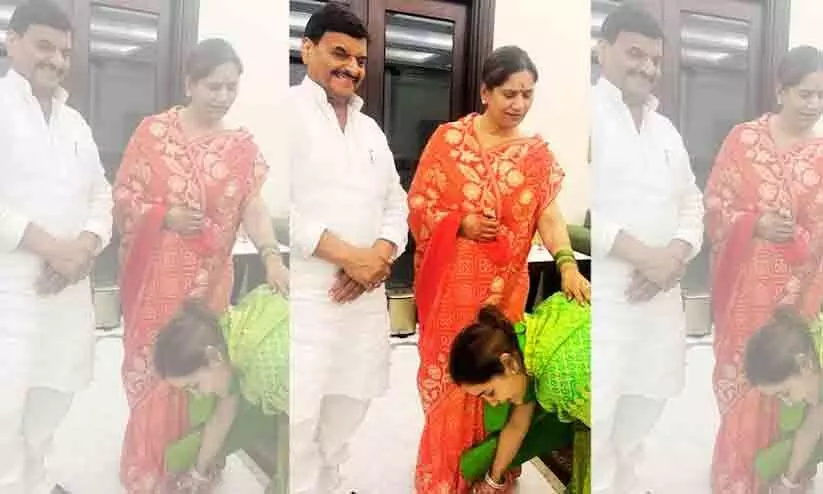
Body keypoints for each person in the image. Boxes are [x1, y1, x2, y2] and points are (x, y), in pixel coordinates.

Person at [409, 45, 590, 493]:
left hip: (502, 290)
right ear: (485, 92)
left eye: (528, 95)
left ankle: (491, 470)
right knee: (450, 379)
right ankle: (445, 474)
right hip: (450, 293)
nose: (518, 104)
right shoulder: (449, 142)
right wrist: (461, 224)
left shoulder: (535, 156)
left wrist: (567, 263)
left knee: (499, 379)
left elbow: (549, 215)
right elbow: (418, 205)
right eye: (509, 93)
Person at [113, 39, 288, 493]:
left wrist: (271, 255)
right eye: (214, 86)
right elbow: (124, 195)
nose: (223, 96)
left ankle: (197, 463)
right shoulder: (153, 133)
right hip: (155, 282)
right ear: (190, 83)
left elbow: (252, 206)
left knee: (203, 370)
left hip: (209, 283)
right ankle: (149, 465)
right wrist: (164, 215)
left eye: (232, 87)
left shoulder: (240, 147)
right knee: (154, 369)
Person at [287, 4, 409, 493]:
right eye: (340, 54)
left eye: (360, 59)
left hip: (363, 299)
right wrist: (350, 258)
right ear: (307, 49)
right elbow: (277, 208)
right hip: (308, 298)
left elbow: (396, 203)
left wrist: (378, 256)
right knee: (299, 412)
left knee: (350, 401)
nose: (352, 68)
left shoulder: (370, 129)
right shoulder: (286, 114)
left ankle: (330, 482)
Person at [589, 5, 704, 493]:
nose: (648, 67)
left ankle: (626, 481)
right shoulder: (586, 115)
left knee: (647, 401)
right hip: (607, 298)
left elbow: (691, 201)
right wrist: (646, 258)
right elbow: (580, 210)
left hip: (659, 299)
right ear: (602, 50)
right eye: (635, 53)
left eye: (655, 59)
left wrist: (675, 255)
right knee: (600, 409)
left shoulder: (666, 129)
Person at [0, 1, 113, 492]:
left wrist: (84, 247)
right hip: (11, 294)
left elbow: (101, 194)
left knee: (54, 395)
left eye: (65, 51)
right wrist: (53, 249)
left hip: (67, 292)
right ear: (12, 42)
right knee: (5, 406)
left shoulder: (75, 123)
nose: (57, 60)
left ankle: (37, 481)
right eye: (44, 46)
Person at [705, 45, 823, 493]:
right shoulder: (744, 142)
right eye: (805, 93)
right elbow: (715, 207)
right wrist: (753, 225)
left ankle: (785, 475)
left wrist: (799, 237)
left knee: (792, 385)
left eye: (822, 96)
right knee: (743, 380)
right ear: (781, 90)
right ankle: (737, 477)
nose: (814, 104)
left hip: (798, 297)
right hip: (744, 294)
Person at [153, 285, 288, 494]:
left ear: (212, 356)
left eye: (194, 386)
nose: (198, 395)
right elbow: (222, 415)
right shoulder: (229, 336)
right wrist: (198, 473)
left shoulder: (266, 371)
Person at [450, 294, 590, 494]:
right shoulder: (528, 344)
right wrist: (493, 480)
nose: (494, 403)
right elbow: (517, 424)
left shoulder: (561, 381)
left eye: (490, 393)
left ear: (508, 363)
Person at [744, 309, 822, 494]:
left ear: (804, 365)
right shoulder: (813, 376)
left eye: (785, 393)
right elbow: (811, 429)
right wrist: (788, 482)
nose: (787, 402)